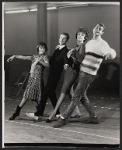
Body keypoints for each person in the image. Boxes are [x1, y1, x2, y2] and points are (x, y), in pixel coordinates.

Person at [53, 23, 116, 128]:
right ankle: (93, 117)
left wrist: (111, 53)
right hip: (82, 72)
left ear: (102, 32)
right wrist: (72, 53)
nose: (97, 30)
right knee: (82, 97)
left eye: (100, 29)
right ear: (93, 29)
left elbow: (111, 53)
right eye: (96, 28)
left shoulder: (103, 44)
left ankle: (64, 118)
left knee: (76, 96)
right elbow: (82, 59)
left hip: (88, 74)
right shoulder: (90, 43)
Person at [46, 27, 89, 122]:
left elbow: (80, 60)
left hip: (73, 72)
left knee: (63, 92)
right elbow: (73, 53)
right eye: (78, 34)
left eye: (82, 35)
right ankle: (77, 112)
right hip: (69, 70)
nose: (79, 36)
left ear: (85, 37)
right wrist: (66, 49)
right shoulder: (77, 46)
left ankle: (53, 114)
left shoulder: (82, 46)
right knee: (70, 92)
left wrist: (71, 56)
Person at [26, 32, 70, 120]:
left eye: (64, 38)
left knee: (45, 93)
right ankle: (57, 113)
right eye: (60, 37)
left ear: (67, 40)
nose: (61, 39)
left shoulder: (65, 50)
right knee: (51, 93)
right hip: (51, 74)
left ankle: (38, 114)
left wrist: (66, 64)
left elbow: (66, 59)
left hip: (55, 76)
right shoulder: (58, 49)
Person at [8, 42, 49, 120]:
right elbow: (24, 57)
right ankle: (39, 111)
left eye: (43, 48)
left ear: (45, 49)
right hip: (31, 78)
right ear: (38, 49)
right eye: (40, 48)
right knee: (31, 96)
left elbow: (47, 65)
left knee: (28, 96)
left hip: (38, 79)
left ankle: (17, 112)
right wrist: (15, 56)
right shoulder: (34, 57)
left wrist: (39, 61)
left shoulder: (45, 57)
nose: (41, 49)